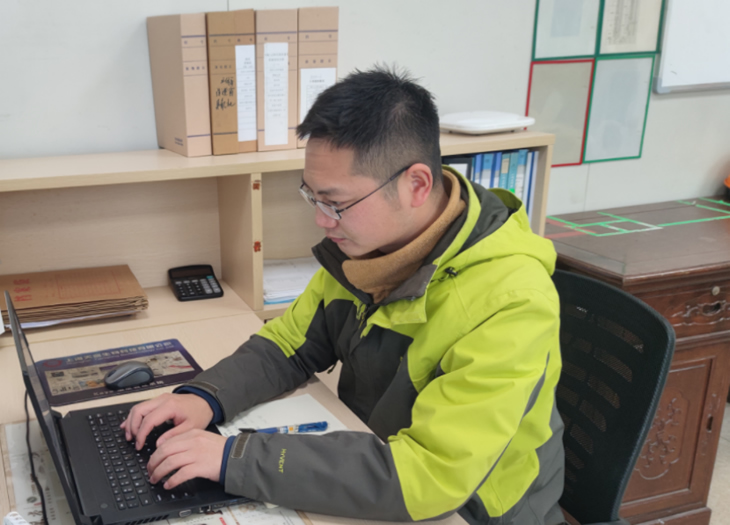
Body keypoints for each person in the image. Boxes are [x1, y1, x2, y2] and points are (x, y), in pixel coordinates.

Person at [122, 65, 565, 525]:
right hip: (374, 460)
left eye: (336, 203)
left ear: (416, 185)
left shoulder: (512, 301)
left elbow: (430, 476)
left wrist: (236, 457)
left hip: (476, 511)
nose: (322, 220)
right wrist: (204, 398)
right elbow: (288, 345)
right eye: (312, 196)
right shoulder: (366, 251)